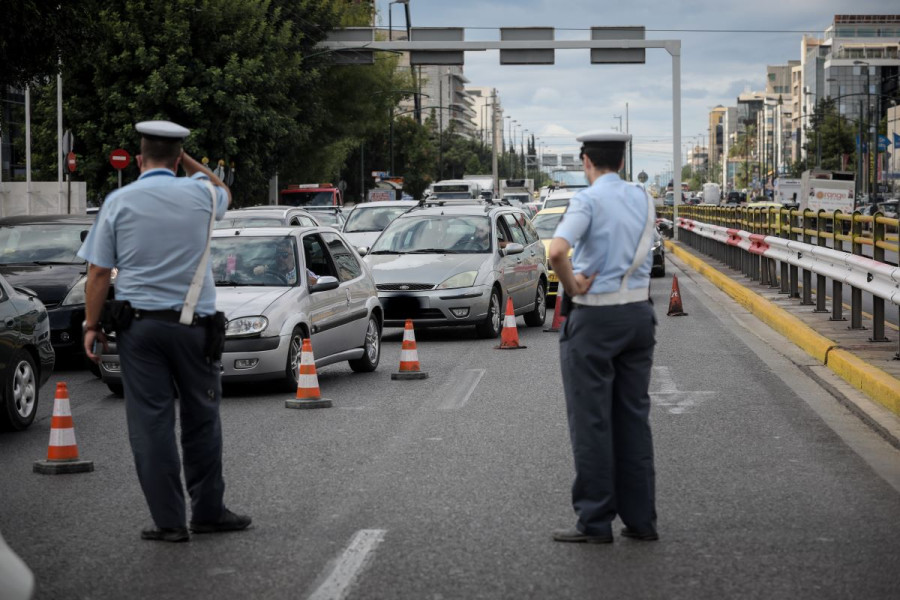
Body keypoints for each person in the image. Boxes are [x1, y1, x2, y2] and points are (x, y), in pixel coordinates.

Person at [79, 120, 251, 543]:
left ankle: (169, 522)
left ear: (138, 160)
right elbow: (224, 190)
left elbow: (99, 272)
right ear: (178, 161)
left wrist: (91, 324)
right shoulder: (200, 193)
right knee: (202, 419)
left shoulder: (119, 201)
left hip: (140, 331)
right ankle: (209, 512)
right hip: (196, 329)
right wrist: (186, 158)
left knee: (150, 424)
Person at [549, 130, 659, 544]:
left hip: (595, 320)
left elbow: (557, 251)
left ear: (586, 161)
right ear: (622, 161)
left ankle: (595, 522)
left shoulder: (588, 199)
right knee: (633, 418)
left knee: (592, 421)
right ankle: (642, 520)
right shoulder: (644, 198)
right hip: (638, 315)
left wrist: (572, 287)